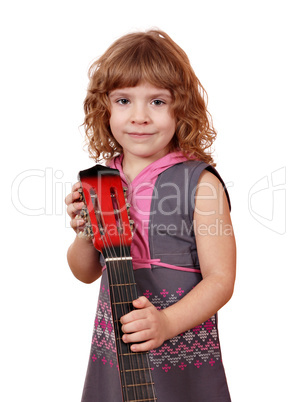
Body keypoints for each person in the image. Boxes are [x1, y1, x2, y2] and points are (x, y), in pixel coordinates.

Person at [65, 29, 236, 402]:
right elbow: (85, 271)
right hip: (118, 352)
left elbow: (222, 279)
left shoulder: (201, 184)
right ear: (104, 108)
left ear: (182, 108)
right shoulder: (100, 181)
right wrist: (83, 233)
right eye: (124, 100)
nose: (139, 116)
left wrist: (167, 322)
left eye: (157, 102)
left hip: (181, 358)